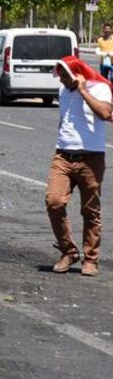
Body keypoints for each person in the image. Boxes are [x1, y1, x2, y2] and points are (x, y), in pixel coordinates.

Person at [46, 56, 113, 277]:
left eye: (65, 75)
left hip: (91, 157)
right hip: (63, 155)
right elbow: (64, 119)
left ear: (77, 73)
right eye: (60, 75)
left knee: (90, 209)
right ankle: (68, 251)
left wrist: (84, 91)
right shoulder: (63, 91)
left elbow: (105, 113)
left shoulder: (100, 88)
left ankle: (91, 259)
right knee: (54, 201)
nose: (62, 80)